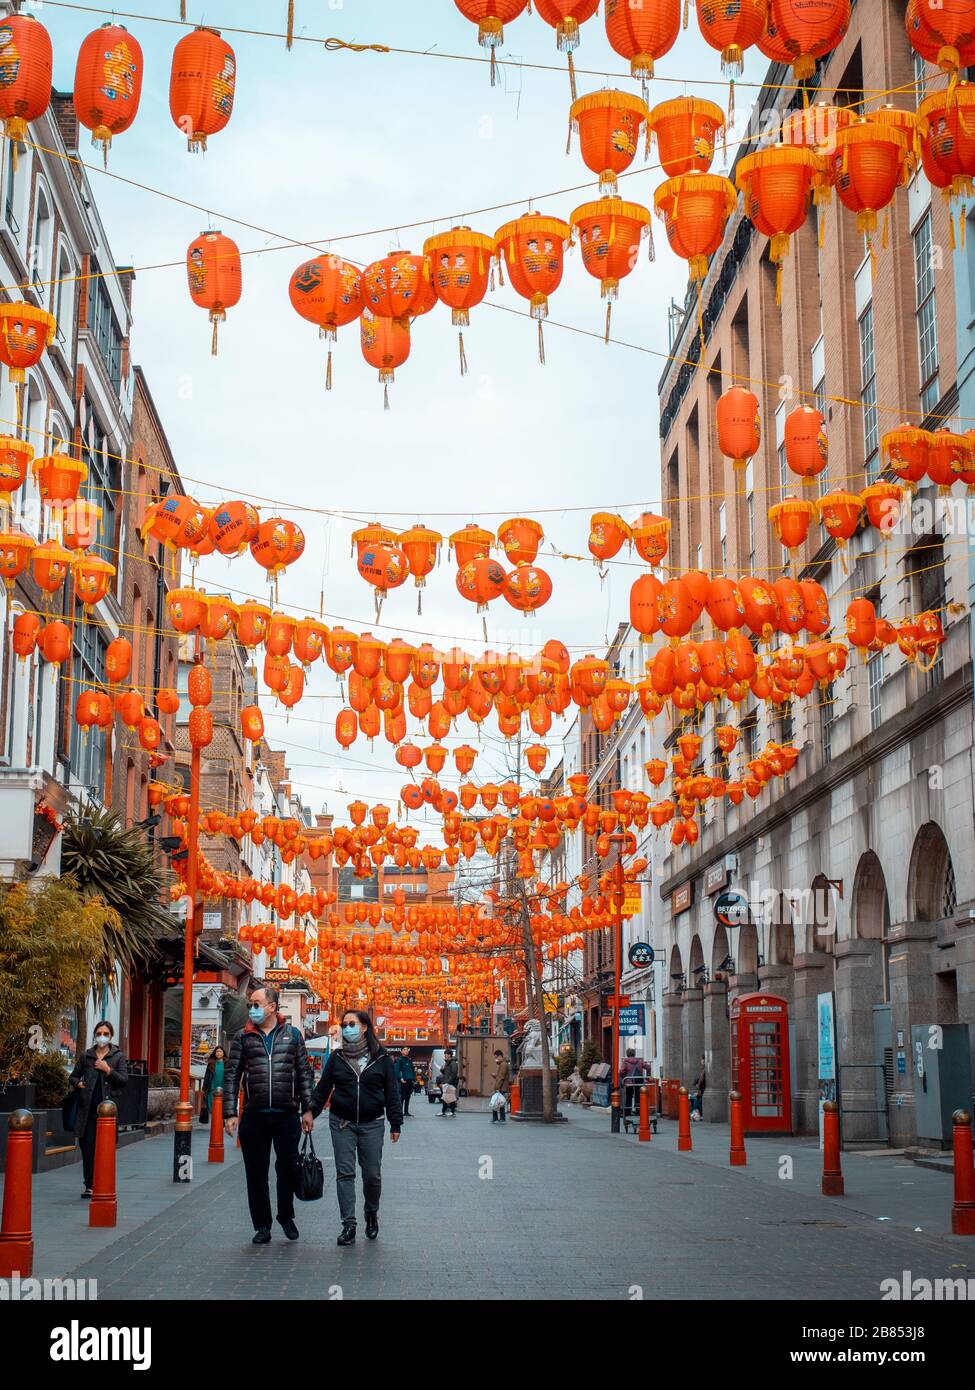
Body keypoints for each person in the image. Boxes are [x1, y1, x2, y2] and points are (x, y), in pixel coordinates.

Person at [223, 983, 314, 1245]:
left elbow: (304, 1073)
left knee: (287, 1168)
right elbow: (232, 1075)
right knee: (256, 1172)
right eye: (250, 1004)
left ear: (272, 1007)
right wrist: (230, 1112)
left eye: (256, 1004)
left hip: (287, 1114)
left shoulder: (293, 1036)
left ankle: (285, 1215)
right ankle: (262, 1225)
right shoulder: (243, 1037)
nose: (251, 1008)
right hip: (254, 1114)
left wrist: (308, 1109)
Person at [310, 1009, 402, 1247]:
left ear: (364, 1027)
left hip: (373, 1123)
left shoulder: (381, 1058)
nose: (347, 1028)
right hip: (342, 1122)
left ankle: (371, 1212)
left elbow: (392, 1091)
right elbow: (323, 1089)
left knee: (372, 1175)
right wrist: (311, 1111)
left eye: (352, 1024)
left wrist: (395, 1122)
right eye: (344, 1024)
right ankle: (348, 1224)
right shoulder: (337, 1058)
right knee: (345, 1173)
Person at [69, 1021, 128, 1198]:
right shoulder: (86, 1056)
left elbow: (124, 1080)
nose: (102, 1036)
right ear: (95, 1035)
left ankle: (101, 1182)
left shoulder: (118, 1056)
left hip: (107, 1111)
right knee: (87, 1148)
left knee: (103, 1148)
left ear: (111, 1036)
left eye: (106, 1033)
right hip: (86, 1109)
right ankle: (89, 1184)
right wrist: (78, 1083)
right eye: (99, 1032)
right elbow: (73, 1077)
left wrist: (107, 1069)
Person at [199, 1045, 225, 1125]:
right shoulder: (211, 1064)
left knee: (222, 1106)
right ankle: (216, 1122)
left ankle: (220, 1121)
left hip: (223, 1089)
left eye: (220, 1051)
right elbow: (207, 1076)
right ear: (214, 1053)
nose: (219, 1053)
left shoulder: (227, 1064)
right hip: (212, 1088)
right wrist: (204, 1088)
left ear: (223, 1053)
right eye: (217, 1051)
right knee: (211, 1107)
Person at [392, 1047, 416, 1118]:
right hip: (403, 1080)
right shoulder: (399, 1060)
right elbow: (396, 1070)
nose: (406, 1051)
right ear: (401, 1051)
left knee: (408, 1097)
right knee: (402, 1097)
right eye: (404, 1050)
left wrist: (413, 1079)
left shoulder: (409, 1060)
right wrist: (400, 1078)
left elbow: (412, 1070)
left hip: (410, 1080)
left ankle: (406, 1112)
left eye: (407, 1050)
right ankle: (400, 1112)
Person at [437, 1047, 459, 1117]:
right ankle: (447, 1111)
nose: (445, 1056)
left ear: (449, 1055)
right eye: (445, 1054)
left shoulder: (453, 1063)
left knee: (448, 1097)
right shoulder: (447, 1063)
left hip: (450, 1083)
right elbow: (446, 1073)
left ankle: (449, 1111)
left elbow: (454, 1074)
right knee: (446, 1097)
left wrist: (448, 1082)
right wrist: (442, 1070)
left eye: (446, 1054)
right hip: (447, 1082)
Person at [490, 1048, 510, 1124]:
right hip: (502, 1087)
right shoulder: (503, 1064)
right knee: (498, 1103)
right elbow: (501, 1076)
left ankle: (499, 1119)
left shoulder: (503, 1065)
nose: (495, 1059)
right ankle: (498, 1119)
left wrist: (497, 1088)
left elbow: (501, 1077)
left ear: (499, 1056)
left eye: (496, 1057)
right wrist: (496, 1075)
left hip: (501, 1087)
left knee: (497, 1103)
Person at [691, 1055, 707, 1121]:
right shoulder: (703, 1069)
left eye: (702, 1059)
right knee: (695, 1099)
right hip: (701, 1090)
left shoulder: (705, 1070)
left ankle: (695, 1113)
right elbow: (698, 1079)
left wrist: (698, 1085)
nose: (701, 1061)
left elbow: (701, 1080)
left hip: (702, 1090)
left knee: (697, 1100)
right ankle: (695, 1113)